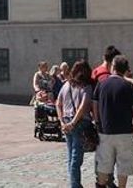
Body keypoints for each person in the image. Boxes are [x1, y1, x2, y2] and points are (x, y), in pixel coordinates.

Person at [92, 55, 133, 188]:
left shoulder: (101, 84)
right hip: (125, 131)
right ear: (125, 70)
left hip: (105, 130)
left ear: (113, 67)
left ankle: (101, 185)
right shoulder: (128, 85)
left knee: (103, 164)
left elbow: (95, 105)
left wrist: (97, 122)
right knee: (123, 164)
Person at [56, 60, 92, 188]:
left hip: (66, 121)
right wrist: (73, 122)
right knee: (76, 158)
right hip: (78, 123)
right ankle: (75, 185)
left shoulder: (66, 85)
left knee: (71, 156)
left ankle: (75, 184)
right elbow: (83, 107)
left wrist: (62, 121)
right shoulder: (86, 87)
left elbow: (58, 103)